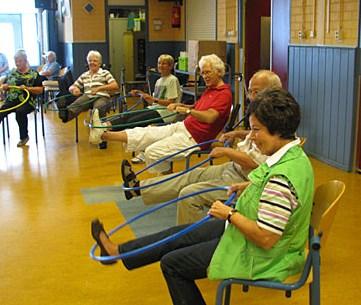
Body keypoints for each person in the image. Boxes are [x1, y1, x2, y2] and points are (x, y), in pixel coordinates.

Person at [91, 88, 315, 305]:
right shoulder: (295, 156)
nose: (252, 137)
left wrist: (229, 214)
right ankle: (118, 252)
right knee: (178, 235)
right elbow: (276, 196)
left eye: (257, 130)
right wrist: (249, 186)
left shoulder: (281, 180)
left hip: (261, 254)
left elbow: (266, 238)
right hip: (251, 235)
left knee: (172, 264)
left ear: (277, 129)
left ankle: (119, 253)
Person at [121, 70, 282, 224]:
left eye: (257, 92)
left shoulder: (276, 122)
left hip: (245, 179)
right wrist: (237, 134)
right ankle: (137, 188)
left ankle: (186, 245)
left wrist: (227, 151)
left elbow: (257, 163)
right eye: (250, 92)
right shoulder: (259, 114)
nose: (251, 97)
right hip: (233, 166)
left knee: (188, 194)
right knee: (191, 175)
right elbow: (256, 137)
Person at [89, 54, 232, 173]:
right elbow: (197, 107)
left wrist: (188, 111)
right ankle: (102, 135)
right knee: (147, 132)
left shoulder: (224, 94)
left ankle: (166, 183)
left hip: (195, 138)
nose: (204, 76)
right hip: (184, 126)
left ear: (219, 71)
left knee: (151, 151)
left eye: (208, 72)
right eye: (202, 72)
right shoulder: (210, 89)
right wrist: (181, 105)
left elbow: (210, 117)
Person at [104, 54, 182, 163]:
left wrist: (153, 99)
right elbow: (152, 100)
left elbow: (171, 102)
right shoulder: (159, 81)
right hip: (155, 109)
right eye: (159, 63)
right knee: (127, 115)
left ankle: (107, 133)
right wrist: (141, 94)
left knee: (133, 121)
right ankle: (105, 126)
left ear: (170, 66)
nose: (161, 65)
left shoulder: (172, 80)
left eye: (164, 63)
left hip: (166, 113)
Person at [61, 50, 119, 149]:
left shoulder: (105, 73)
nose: (92, 63)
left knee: (98, 109)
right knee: (78, 103)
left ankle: (102, 138)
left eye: (95, 61)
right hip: (87, 96)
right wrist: (74, 89)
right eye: (90, 61)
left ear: (99, 63)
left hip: (102, 96)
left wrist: (99, 88)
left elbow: (115, 85)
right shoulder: (84, 75)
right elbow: (72, 86)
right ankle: (66, 115)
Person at [0, 49, 44, 147]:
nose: (17, 63)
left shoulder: (33, 74)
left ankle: (24, 137)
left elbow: (41, 89)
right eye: (16, 61)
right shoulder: (12, 72)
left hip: (27, 101)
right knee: (1, 111)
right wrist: (5, 87)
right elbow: (5, 86)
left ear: (25, 60)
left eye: (19, 61)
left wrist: (28, 88)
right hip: (12, 100)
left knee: (20, 112)